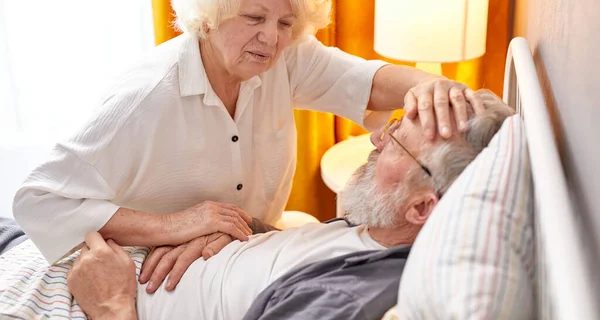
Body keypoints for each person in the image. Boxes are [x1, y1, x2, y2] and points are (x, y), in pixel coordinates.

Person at [12, 0, 483, 291]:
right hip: (136, 273)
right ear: (211, 12)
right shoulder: (146, 96)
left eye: (285, 22)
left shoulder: (285, 58)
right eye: (254, 18)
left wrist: (434, 87)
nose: (271, 38)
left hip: (235, 255)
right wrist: (172, 226)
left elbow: (363, 81)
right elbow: (39, 201)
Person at [55, 90, 512, 320]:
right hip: (118, 270)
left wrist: (111, 305)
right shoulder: (372, 230)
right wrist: (242, 230)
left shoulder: (346, 301)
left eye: (397, 141)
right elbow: (295, 264)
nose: (377, 137)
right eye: (393, 124)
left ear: (421, 208)